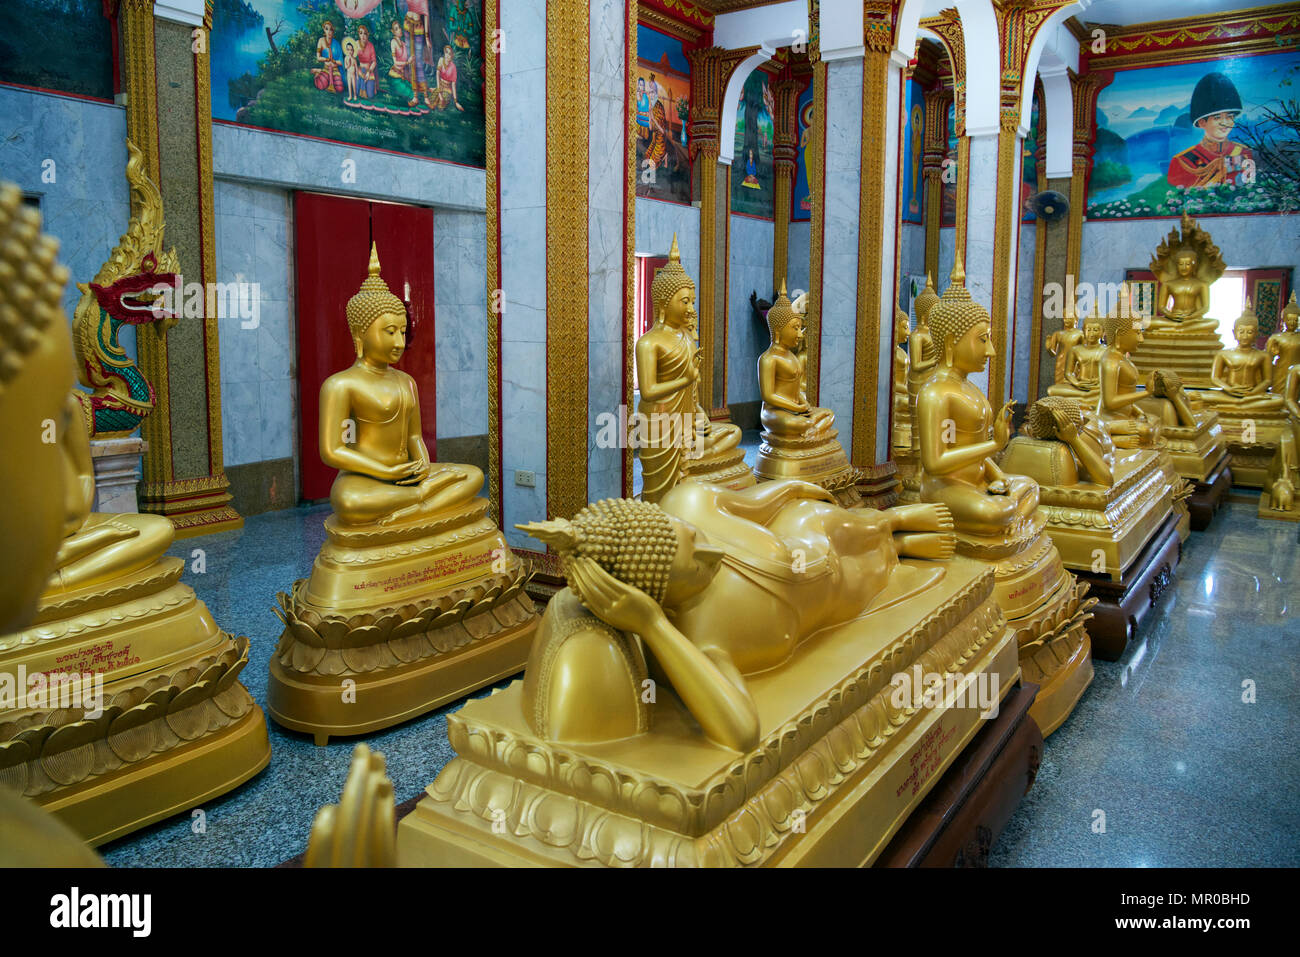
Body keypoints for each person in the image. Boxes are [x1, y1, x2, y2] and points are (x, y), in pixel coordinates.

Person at [1167, 72, 1254, 189]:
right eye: (1217, 118)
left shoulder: (1244, 153)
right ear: (1202, 122)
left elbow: (1251, 189)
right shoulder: (1181, 162)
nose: (1225, 123)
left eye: (1230, 116)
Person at [314, 20, 344, 93]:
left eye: (331, 29)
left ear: (333, 31)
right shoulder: (321, 41)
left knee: (340, 89)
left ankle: (330, 80)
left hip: (335, 69)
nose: (329, 31)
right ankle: (318, 72)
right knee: (321, 85)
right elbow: (318, 57)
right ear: (324, 30)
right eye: (327, 29)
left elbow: (341, 62)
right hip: (326, 68)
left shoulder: (336, 44)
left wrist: (334, 61)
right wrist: (326, 59)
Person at [432, 45, 464, 111]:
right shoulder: (441, 60)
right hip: (440, 85)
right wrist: (439, 91)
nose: (447, 55)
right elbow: (437, 75)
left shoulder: (453, 67)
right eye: (446, 52)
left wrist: (456, 102)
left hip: (447, 89)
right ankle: (434, 91)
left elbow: (453, 85)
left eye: (449, 53)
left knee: (441, 107)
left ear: (452, 55)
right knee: (432, 103)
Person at [356, 24, 378, 101]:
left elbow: (374, 62)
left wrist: (369, 72)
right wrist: (358, 71)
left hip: (369, 71)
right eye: (361, 33)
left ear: (368, 34)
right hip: (359, 70)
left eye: (365, 33)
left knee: (370, 95)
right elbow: (353, 59)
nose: (363, 36)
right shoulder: (356, 44)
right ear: (358, 34)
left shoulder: (370, 45)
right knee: (356, 91)